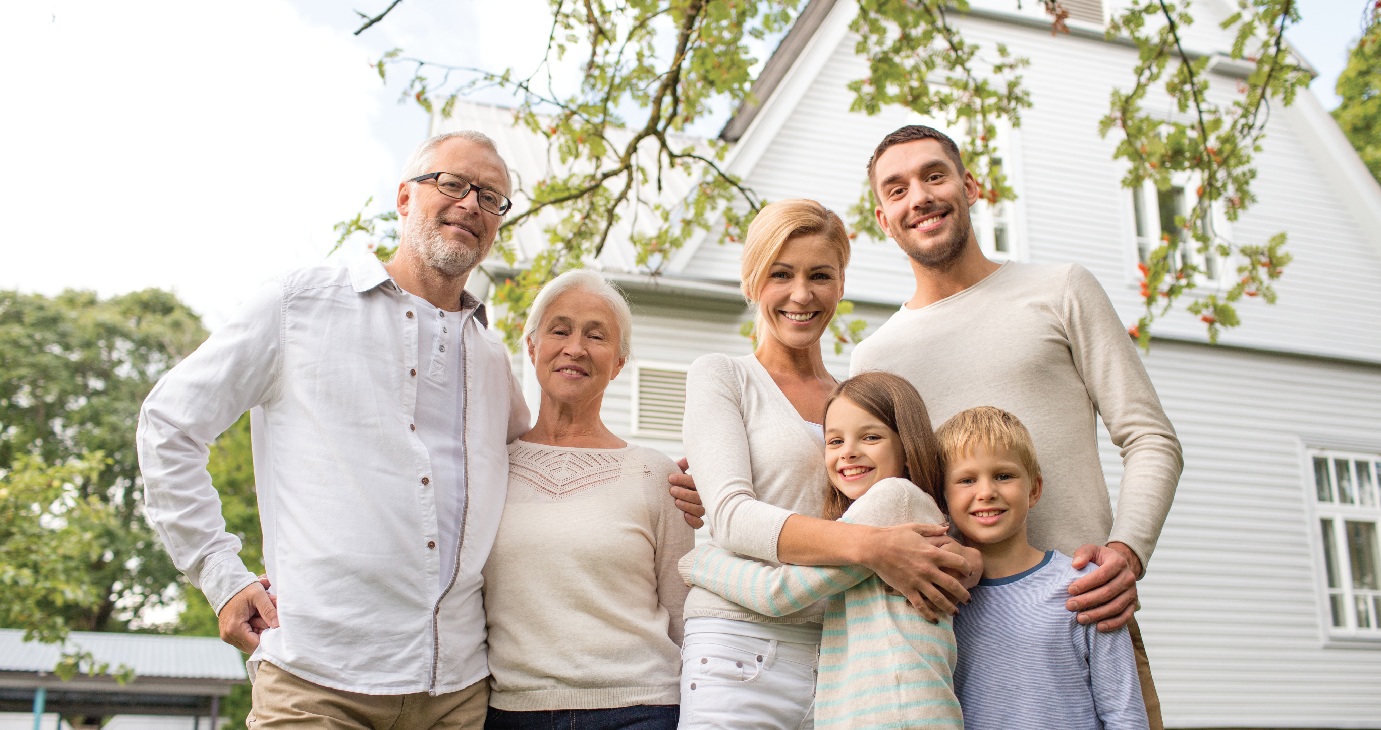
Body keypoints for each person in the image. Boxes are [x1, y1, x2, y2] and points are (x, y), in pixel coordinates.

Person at [137, 130, 703, 730]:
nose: (470, 204)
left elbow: (538, 467)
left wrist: (676, 493)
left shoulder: (490, 357)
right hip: (318, 677)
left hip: (456, 693)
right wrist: (221, 575)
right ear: (404, 197)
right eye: (452, 184)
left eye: (490, 197)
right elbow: (169, 424)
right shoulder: (298, 306)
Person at [848, 124, 1183, 727]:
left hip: (1085, 622)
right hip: (945, 648)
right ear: (882, 218)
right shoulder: (876, 358)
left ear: (969, 186)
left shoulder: (1060, 290)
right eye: (896, 190)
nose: (918, 197)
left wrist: (1127, 551)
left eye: (933, 175)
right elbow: (855, 489)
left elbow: (1150, 436)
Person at [680, 199, 975, 730]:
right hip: (741, 644)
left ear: (841, 284)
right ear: (752, 283)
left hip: (847, 651)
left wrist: (961, 559)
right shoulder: (724, 376)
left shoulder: (857, 401)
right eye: (780, 274)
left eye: (820, 275)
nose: (801, 294)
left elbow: (908, 507)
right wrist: (874, 549)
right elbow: (730, 516)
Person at [680, 371, 983, 729]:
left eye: (871, 437)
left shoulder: (892, 500)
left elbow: (778, 593)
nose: (849, 452)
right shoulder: (891, 508)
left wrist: (698, 561)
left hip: (895, 714)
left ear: (907, 445)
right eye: (834, 441)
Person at [481, 269, 692, 730]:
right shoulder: (486, 466)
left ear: (618, 362)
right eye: (560, 330)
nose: (575, 348)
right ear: (533, 346)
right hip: (512, 712)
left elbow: (684, 618)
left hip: (640, 710)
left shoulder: (655, 474)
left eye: (596, 336)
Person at [941, 406, 1149, 730]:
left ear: (1034, 489)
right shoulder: (940, 597)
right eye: (967, 480)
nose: (986, 492)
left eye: (1003, 475)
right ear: (943, 498)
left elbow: (1125, 715)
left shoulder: (1085, 587)